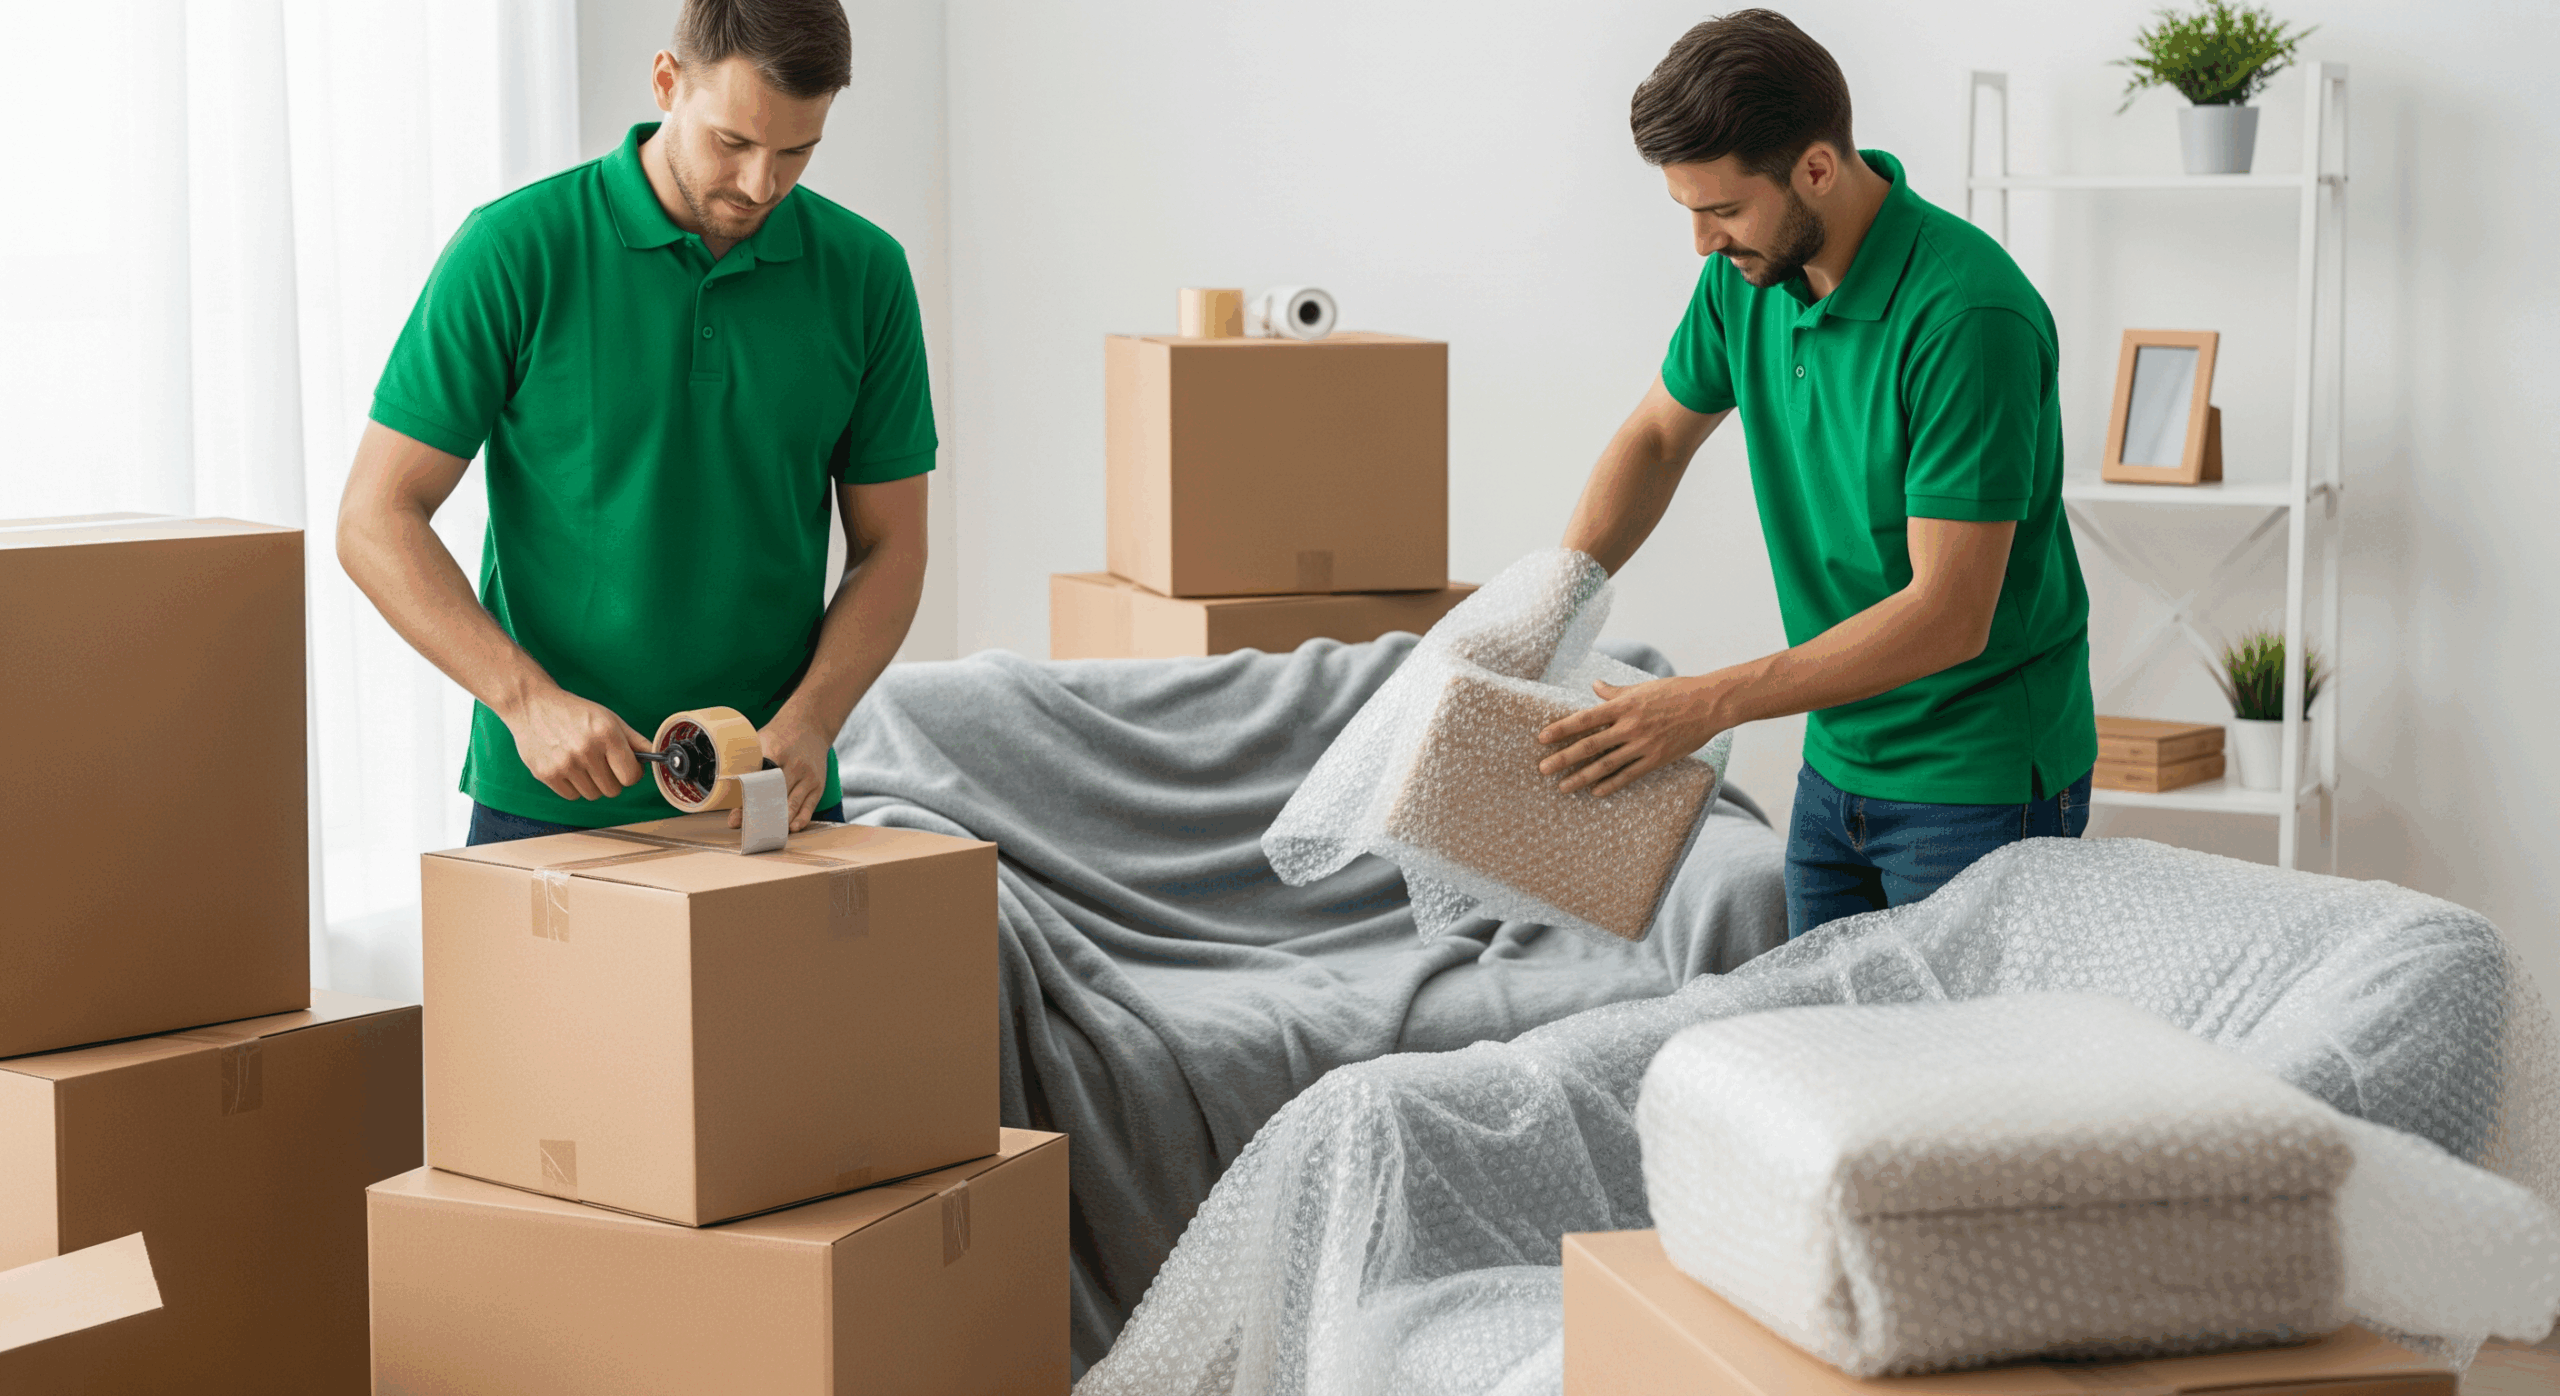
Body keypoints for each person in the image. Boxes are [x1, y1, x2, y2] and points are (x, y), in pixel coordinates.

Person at [1538, 10, 2097, 938]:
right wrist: (1553, 597)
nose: (1704, 244)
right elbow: (1656, 438)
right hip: (1836, 763)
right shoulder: (1746, 276)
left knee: (1954, 1079)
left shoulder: (1968, 317)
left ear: (1817, 169)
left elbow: (1949, 613)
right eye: (1690, 212)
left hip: (1979, 780)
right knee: (1817, 1067)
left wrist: (1705, 703)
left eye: (1722, 209)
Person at [338, 0, 933, 845]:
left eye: (797, 151)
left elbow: (892, 546)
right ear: (666, 82)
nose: (762, 184)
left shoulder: (868, 275)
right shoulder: (515, 250)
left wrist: (815, 718)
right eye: (733, 142)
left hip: (768, 798)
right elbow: (374, 517)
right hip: (551, 800)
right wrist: (525, 701)